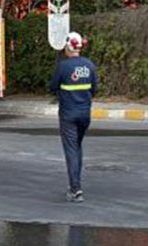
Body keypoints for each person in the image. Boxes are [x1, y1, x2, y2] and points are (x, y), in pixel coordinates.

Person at [48, 32, 97, 203]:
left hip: (68, 115)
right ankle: (75, 185)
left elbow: (53, 86)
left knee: (71, 150)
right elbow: (94, 90)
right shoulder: (89, 65)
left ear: (69, 46)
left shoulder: (63, 67)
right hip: (85, 115)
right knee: (76, 146)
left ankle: (75, 189)